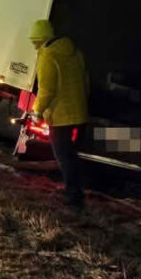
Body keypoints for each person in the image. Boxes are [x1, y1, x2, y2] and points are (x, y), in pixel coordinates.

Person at [29, 19, 90, 210]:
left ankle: (73, 197)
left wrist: (37, 111)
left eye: (35, 41)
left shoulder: (47, 56)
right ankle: (75, 191)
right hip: (79, 113)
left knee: (64, 156)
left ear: (41, 39)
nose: (34, 45)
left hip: (61, 116)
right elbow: (85, 81)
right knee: (71, 155)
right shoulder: (74, 52)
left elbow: (47, 89)